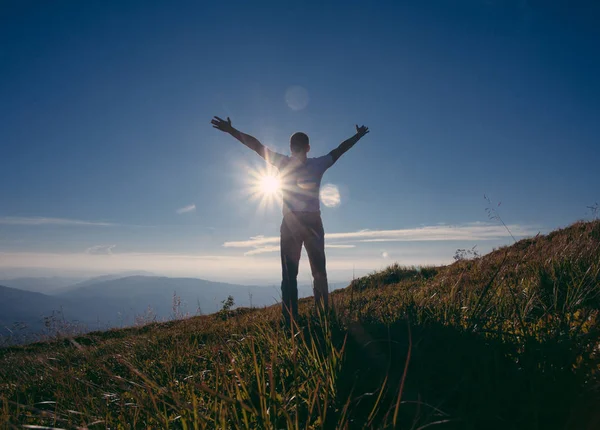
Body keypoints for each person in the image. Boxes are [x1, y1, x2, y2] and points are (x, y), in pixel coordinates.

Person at [211, 116, 369, 324]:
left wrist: (232, 130)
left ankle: (290, 319)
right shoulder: (318, 164)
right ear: (308, 147)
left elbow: (256, 146)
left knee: (289, 275)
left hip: (291, 224)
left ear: (291, 147)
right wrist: (357, 136)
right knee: (319, 272)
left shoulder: (282, 162)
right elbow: (339, 150)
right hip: (313, 223)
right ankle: (322, 315)